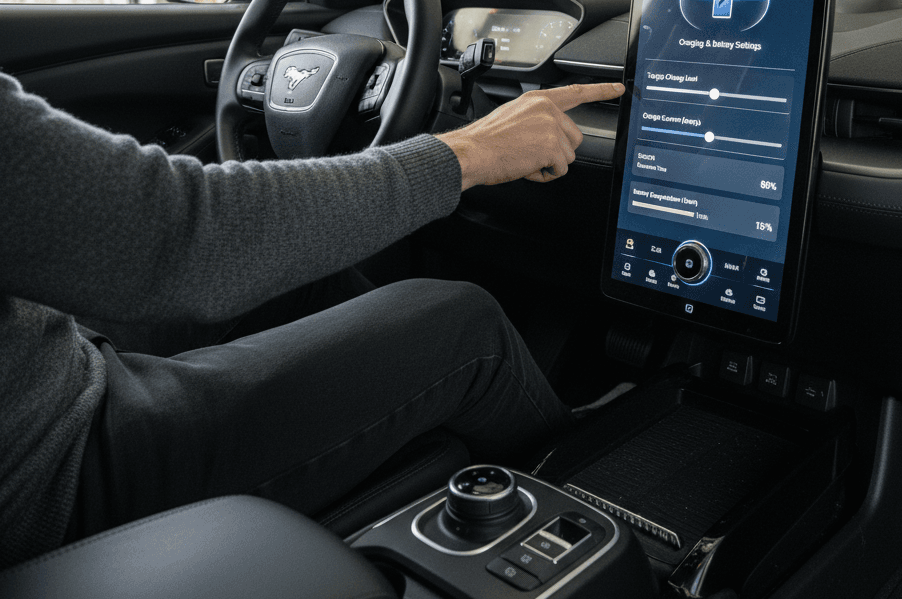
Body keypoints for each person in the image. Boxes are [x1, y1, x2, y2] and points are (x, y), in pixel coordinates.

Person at [0, 66, 623, 570]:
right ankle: (593, 485)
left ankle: (406, 425)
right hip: (53, 478)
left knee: (300, 274)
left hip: (41, 376)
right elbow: (187, 235)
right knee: (466, 328)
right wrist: (470, 150)